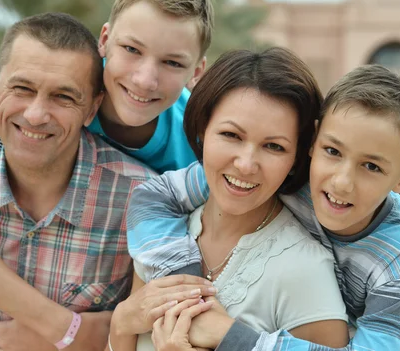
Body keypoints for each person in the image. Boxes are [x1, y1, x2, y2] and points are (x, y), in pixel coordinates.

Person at [0, 0, 213, 351]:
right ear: (105, 40)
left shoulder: (197, 149)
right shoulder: (46, 82)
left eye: (172, 63)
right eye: (131, 50)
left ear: (197, 71)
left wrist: (75, 336)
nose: (144, 79)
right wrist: (62, 328)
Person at [125, 64, 400, 351]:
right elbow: (152, 197)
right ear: (313, 141)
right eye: (332, 151)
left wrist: (231, 336)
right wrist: (187, 286)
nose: (342, 182)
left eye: (371, 166)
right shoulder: (283, 175)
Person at [109, 48, 350, 351]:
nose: (246, 164)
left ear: (297, 157)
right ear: (202, 129)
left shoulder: (305, 270)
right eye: (231, 135)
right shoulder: (162, 234)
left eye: (274, 146)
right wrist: (120, 324)